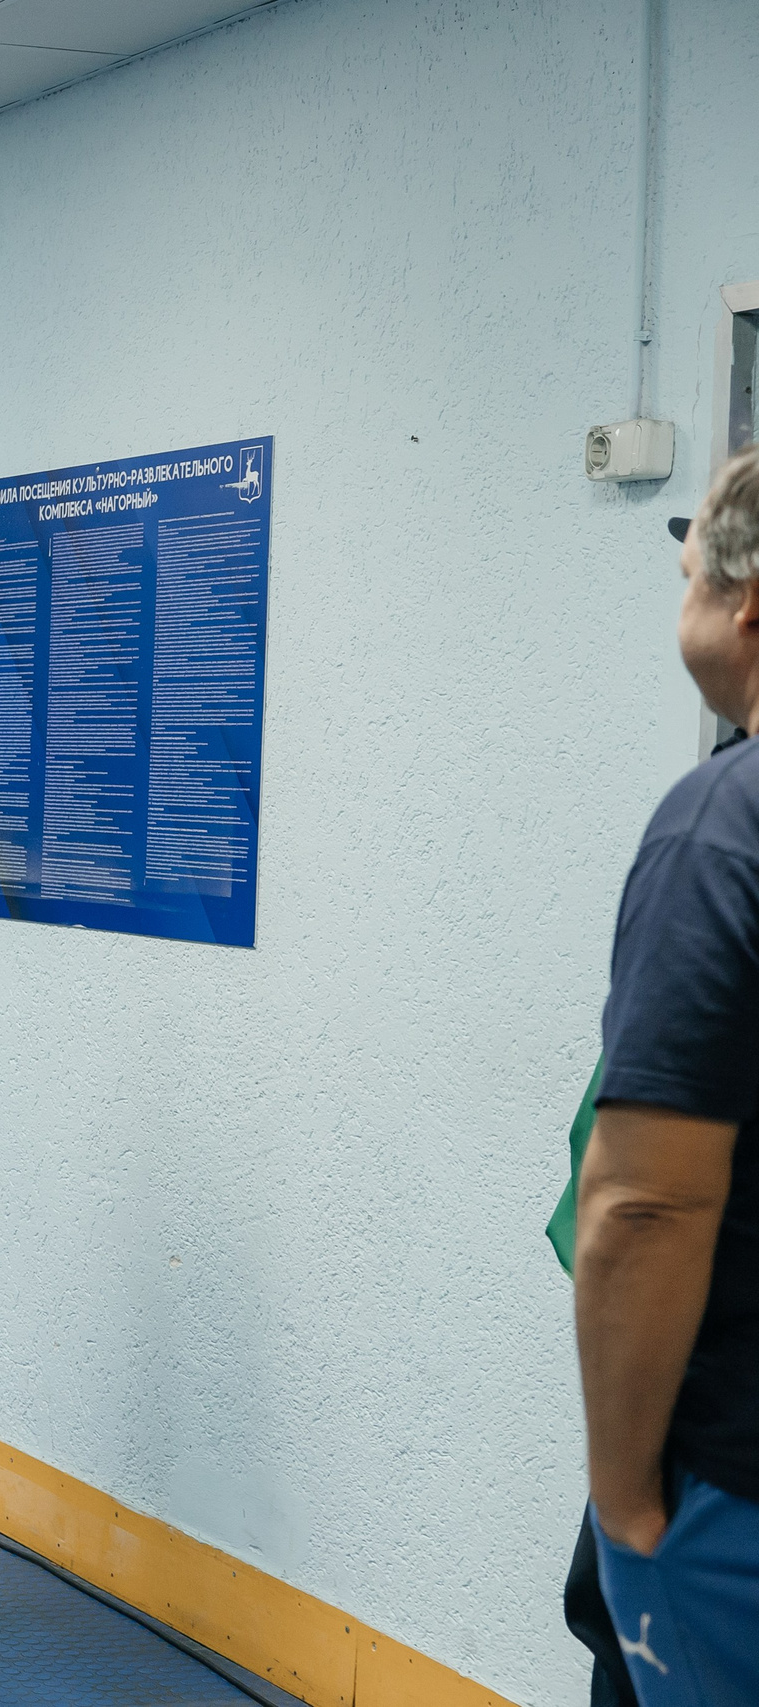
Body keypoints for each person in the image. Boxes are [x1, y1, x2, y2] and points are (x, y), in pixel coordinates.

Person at [576, 445, 759, 1706]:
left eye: (689, 563)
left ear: (746, 606)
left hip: (730, 1504)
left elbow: (643, 1208)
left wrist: (625, 1501)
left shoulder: (719, 829)